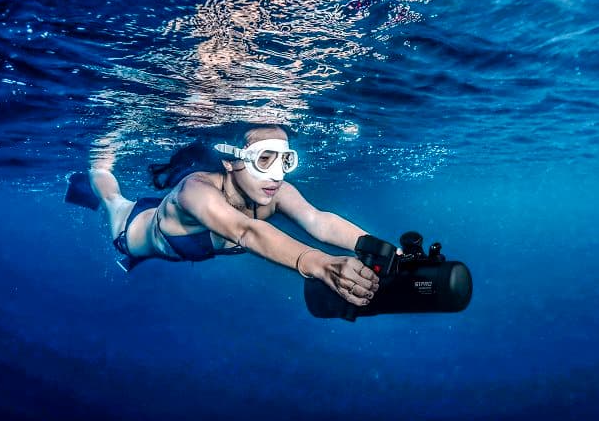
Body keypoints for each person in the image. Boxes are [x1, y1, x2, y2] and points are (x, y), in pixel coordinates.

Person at [66, 124, 379, 307]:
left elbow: (319, 221)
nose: (276, 176)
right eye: (264, 160)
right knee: (112, 198)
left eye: (285, 161)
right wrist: (320, 264)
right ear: (230, 162)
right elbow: (245, 231)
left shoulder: (273, 191)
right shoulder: (195, 190)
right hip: (132, 229)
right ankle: (96, 168)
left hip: (179, 232)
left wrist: (393, 253)